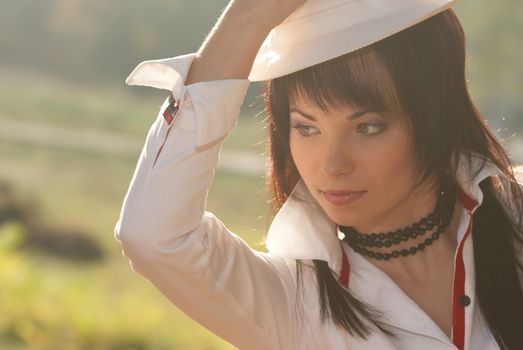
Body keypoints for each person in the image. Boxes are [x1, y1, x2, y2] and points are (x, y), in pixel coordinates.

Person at [114, 0, 523, 349]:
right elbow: (152, 237)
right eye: (306, 128)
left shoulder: (513, 221)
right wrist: (248, 17)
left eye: (367, 127)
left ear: (433, 119)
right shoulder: (292, 303)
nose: (331, 165)